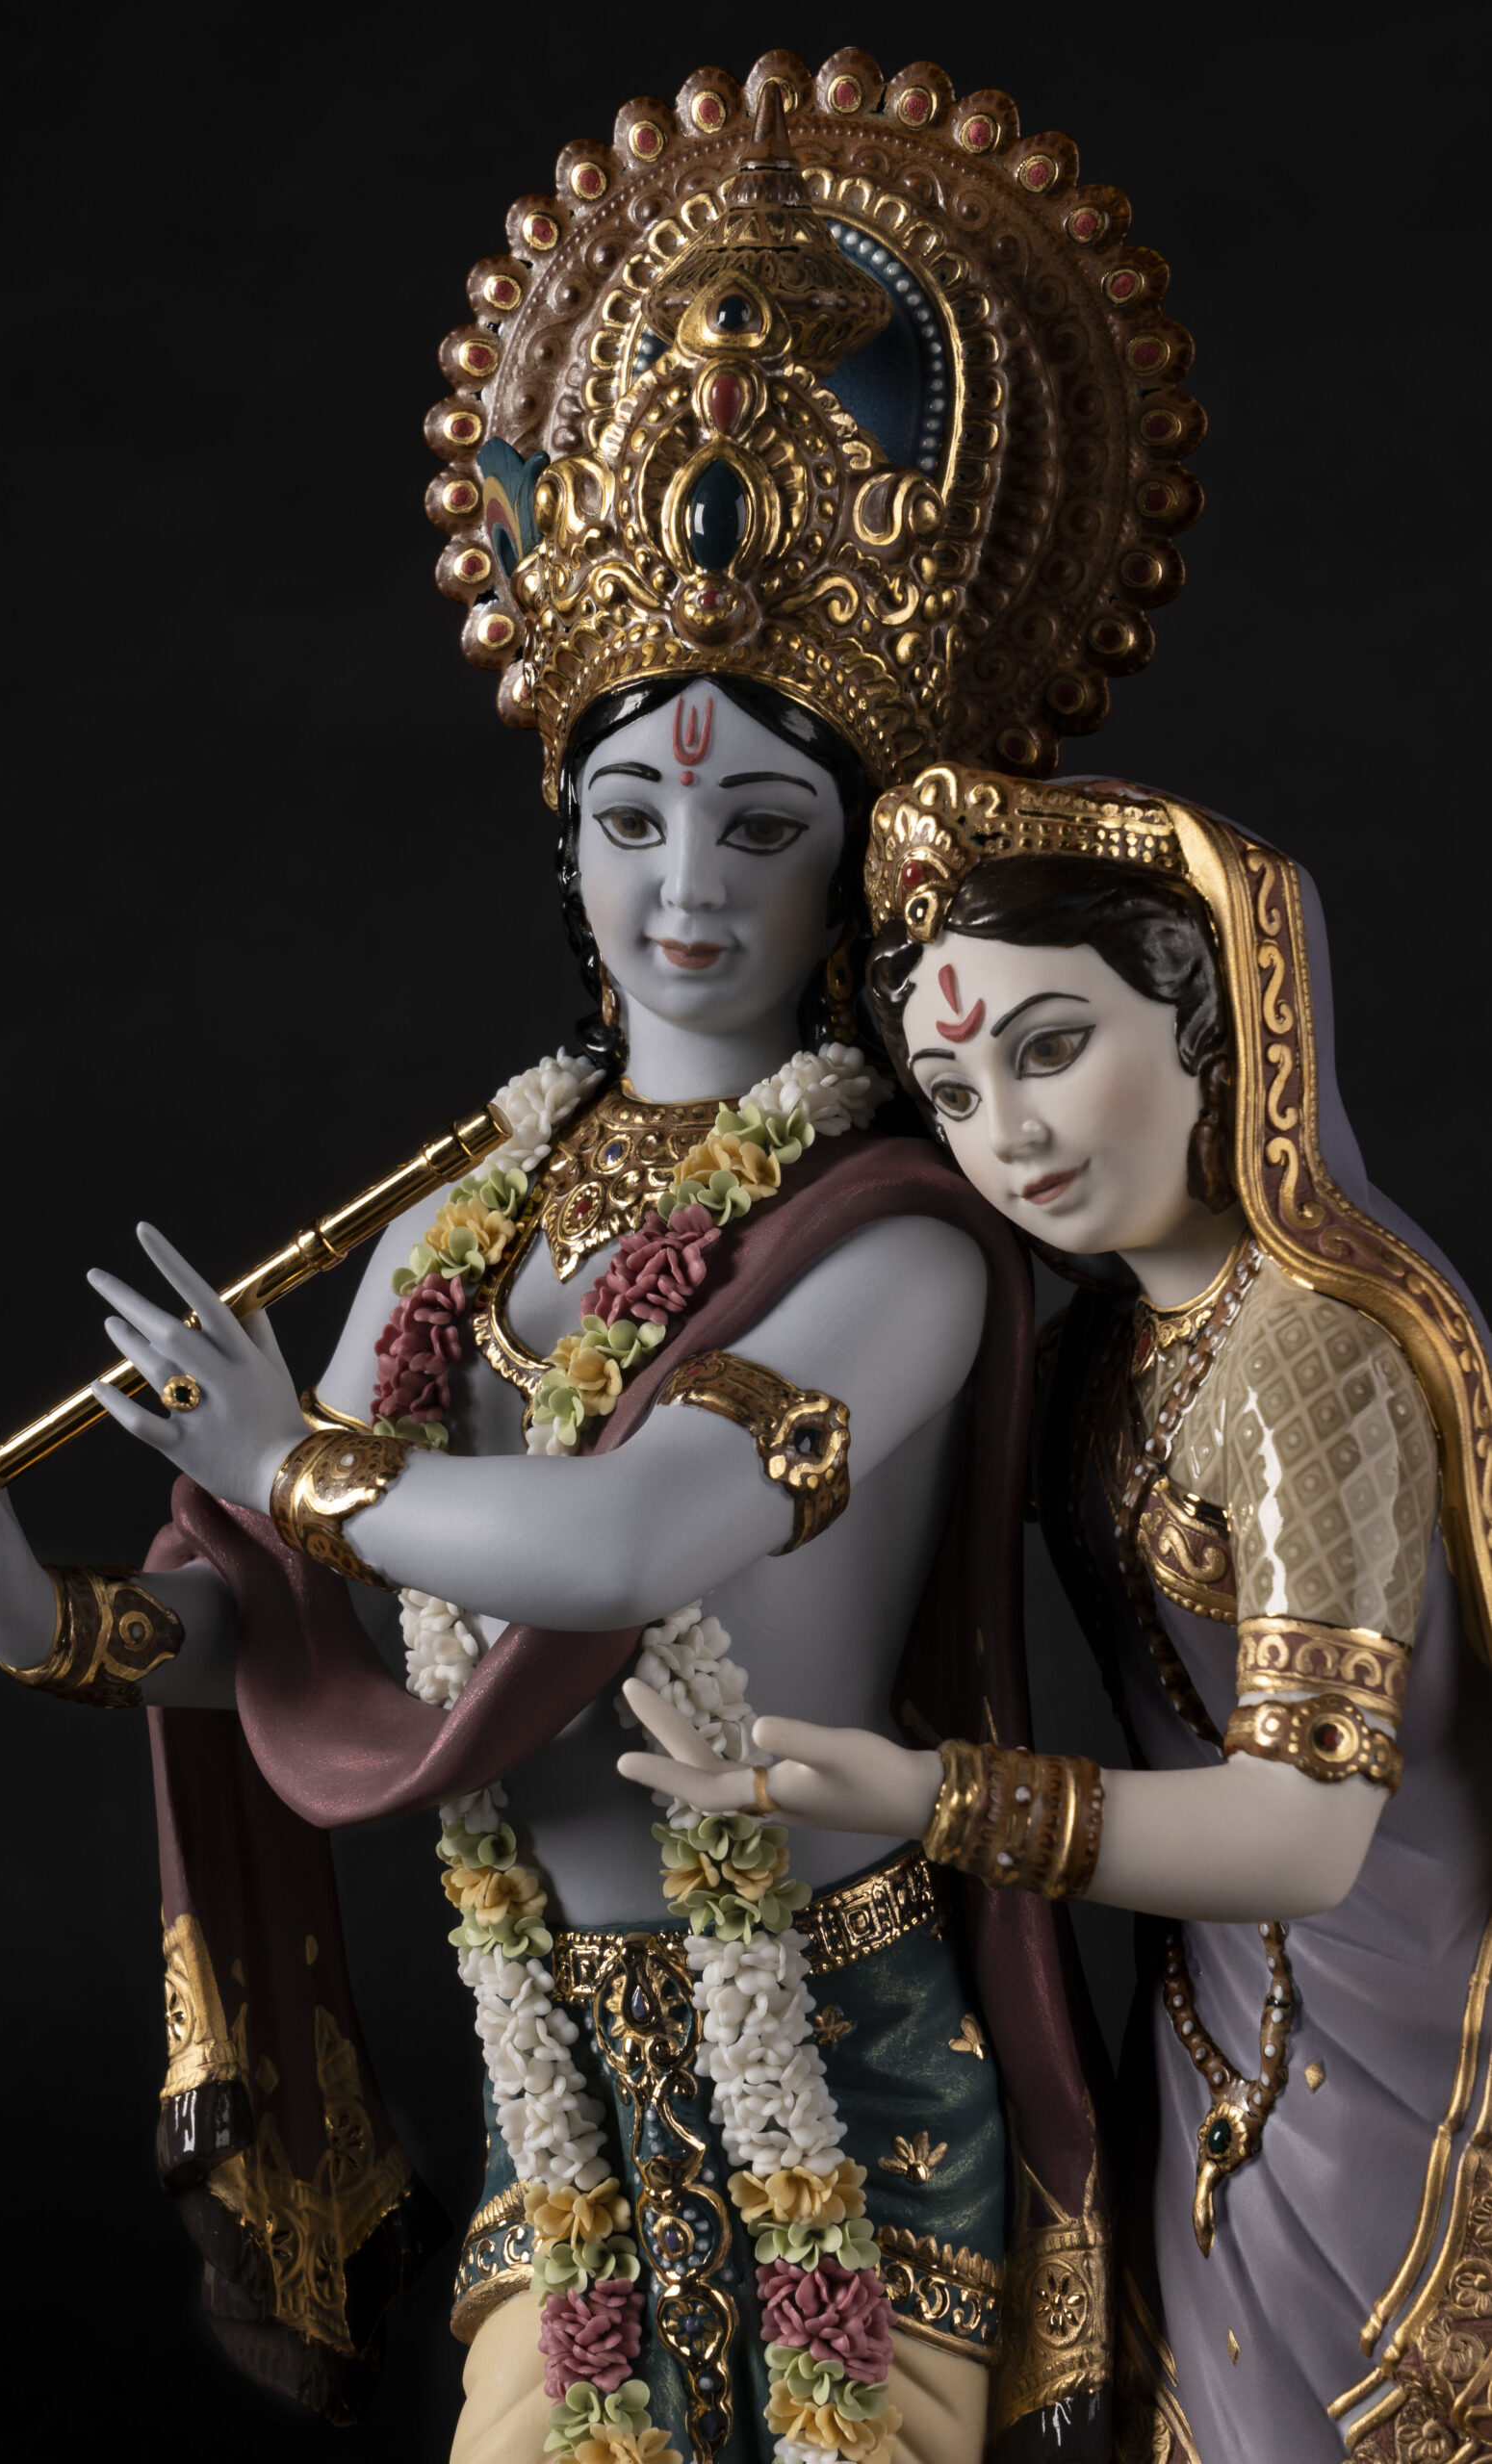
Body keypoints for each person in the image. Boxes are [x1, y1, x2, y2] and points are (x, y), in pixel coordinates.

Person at [0, 50, 1210, 2464]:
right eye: (630, 816)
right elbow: (298, 1619)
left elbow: (633, 1533)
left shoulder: (903, 1235)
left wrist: (296, 1456)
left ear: (856, 857)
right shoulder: (465, 1215)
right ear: (564, 840)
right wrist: (43, 1615)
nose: (684, 890)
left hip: (845, 2087)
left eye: (757, 828)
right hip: (557, 2087)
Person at [620, 758, 1492, 2463]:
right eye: (949, 1088)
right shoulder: (1103, 1352)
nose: (1005, 1136)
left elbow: (1306, 1835)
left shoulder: (1313, 1352)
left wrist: (926, 1797)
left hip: (1403, 2032)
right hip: (1220, 2023)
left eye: (1049, 1049)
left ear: (1217, 1035)